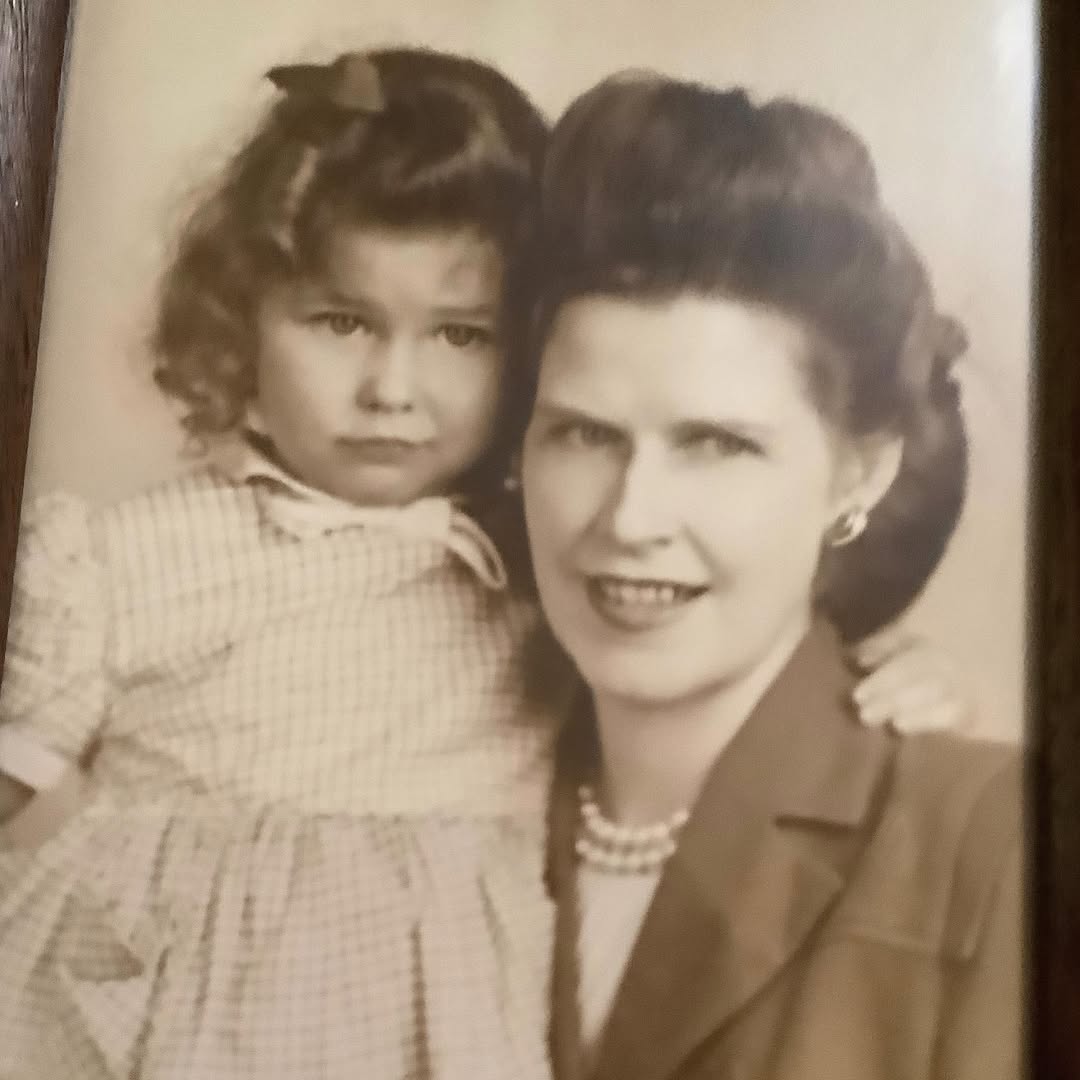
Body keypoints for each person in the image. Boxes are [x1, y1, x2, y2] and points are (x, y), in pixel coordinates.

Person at [0, 48, 972, 1080]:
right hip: (167, 1011)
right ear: (242, 321)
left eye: (460, 336)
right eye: (340, 322)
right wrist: (114, 879)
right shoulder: (121, 555)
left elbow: (719, 663)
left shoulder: (541, 568)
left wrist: (875, 655)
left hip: (448, 1029)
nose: (391, 388)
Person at [524, 75, 1021, 1079]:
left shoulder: (1000, 845)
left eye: (716, 444)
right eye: (583, 434)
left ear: (859, 472)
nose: (629, 518)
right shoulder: (434, 798)